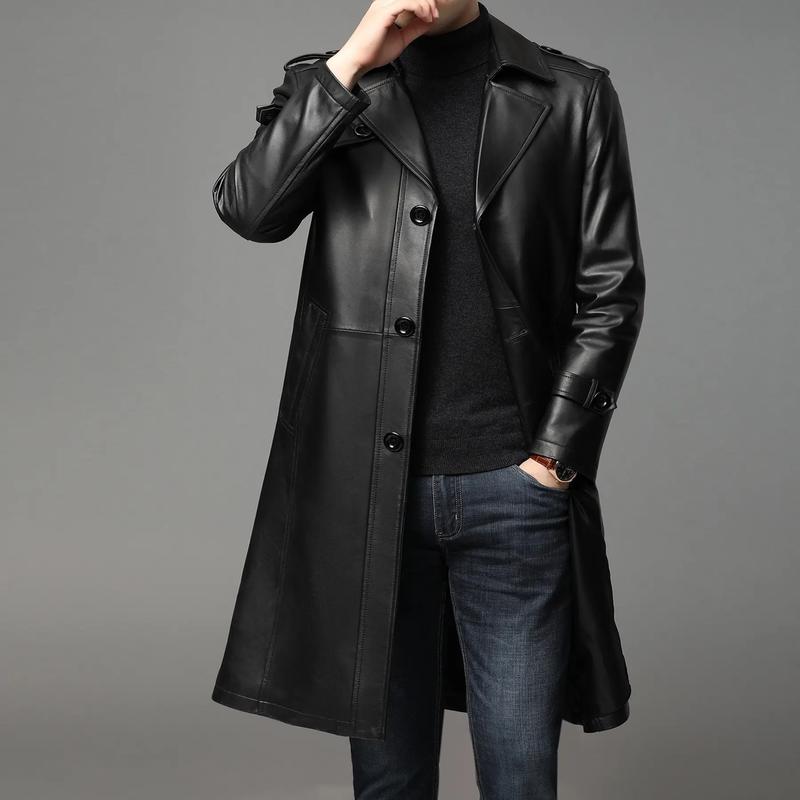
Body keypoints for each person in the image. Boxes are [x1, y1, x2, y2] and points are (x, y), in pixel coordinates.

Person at [211, 1, 645, 798]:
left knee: (520, 777)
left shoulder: (572, 93)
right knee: (390, 782)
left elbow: (612, 290)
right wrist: (352, 62)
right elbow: (249, 209)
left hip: (513, 490)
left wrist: (553, 460)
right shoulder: (330, 84)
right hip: (368, 499)